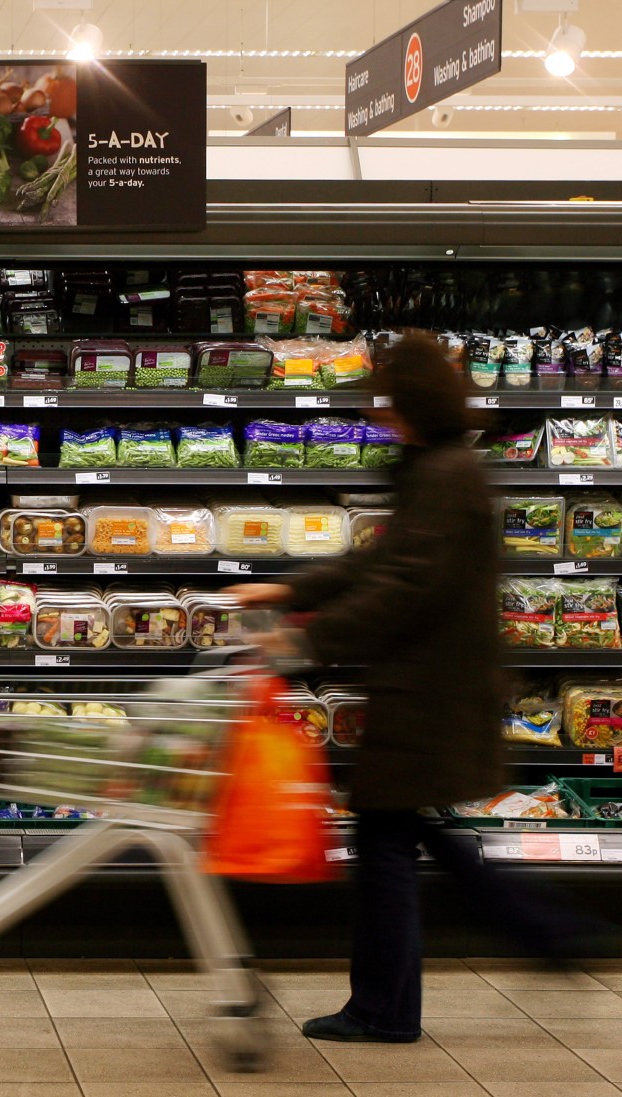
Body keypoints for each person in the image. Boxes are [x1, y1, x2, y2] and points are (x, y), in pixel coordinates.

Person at [227, 333, 601, 1044]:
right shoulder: (434, 465)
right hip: (423, 688)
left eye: (388, 400)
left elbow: (401, 588)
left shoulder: (449, 474)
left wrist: (303, 640)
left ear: (414, 402)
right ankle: (547, 931)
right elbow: (380, 562)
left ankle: (387, 1007)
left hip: (429, 692)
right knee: (406, 831)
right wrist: (286, 586)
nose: (378, 412)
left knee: (391, 841)